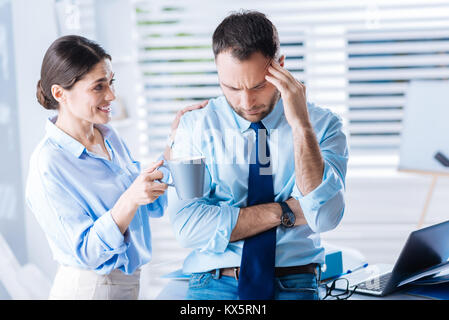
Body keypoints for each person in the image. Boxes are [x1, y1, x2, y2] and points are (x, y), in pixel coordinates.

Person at [168, 11, 348, 300]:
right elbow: (188, 227)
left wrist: (301, 126)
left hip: (295, 280)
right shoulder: (194, 128)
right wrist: (287, 212)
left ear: (281, 67)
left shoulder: (324, 126)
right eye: (231, 88)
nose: (246, 102)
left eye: (258, 86)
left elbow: (324, 216)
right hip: (214, 282)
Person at [26, 35, 206, 300]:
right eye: (98, 87)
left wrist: (172, 146)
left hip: (126, 285)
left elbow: (150, 206)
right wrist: (130, 198)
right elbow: (88, 252)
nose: (111, 95)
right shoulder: (49, 164)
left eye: (111, 83)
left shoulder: (109, 138)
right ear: (59, 93)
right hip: (89, 289)